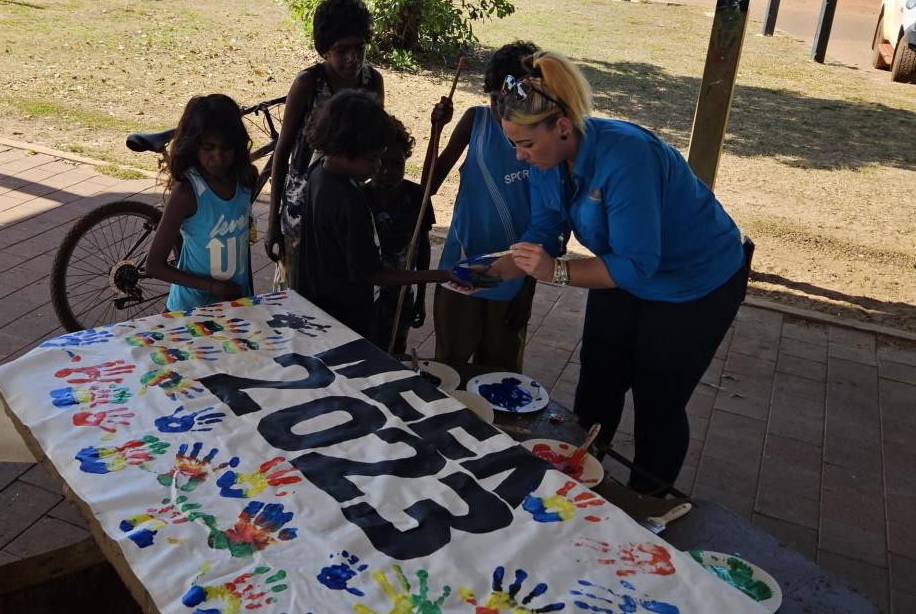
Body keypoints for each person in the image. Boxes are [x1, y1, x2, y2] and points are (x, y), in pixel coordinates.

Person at [497, 50, 750, 494]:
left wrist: (556, 272)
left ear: (562, 127)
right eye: (513, 144)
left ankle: (647, 504)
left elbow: (636, 264)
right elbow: (547, 224)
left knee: (658, 399)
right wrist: (498, 267)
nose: (519, 156)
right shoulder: (548, 159)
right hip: (622, 265)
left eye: (526, 144)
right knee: (598, 379)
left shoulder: (627, 156)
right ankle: (581, 483)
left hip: (694, 281)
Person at [295, 90, 458, 338]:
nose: (379, 167)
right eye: (373, 159)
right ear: (345, 149)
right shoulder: (346, 201)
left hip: (322, 308)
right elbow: (375, 274)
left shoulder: (320, 172)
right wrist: (445, 275)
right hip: (342, 320)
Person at [424, 42, 541, 372]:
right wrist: (436, 130)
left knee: (500, 373)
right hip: (460, 269)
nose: (500, 110)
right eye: (494, 99)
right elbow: (429, 187)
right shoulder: (475, 120)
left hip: (514, 277)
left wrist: (526, 292)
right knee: (449, 369)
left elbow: (547, 224)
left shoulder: (543, 139)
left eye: (509, 100)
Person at [265, 0, 385, 289]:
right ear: (324, 50)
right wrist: (273, 223)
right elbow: (282, 151)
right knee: (295, 289)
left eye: (359, 48)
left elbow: (375, 141)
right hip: (301, 207)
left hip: (347, 204)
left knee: (338, 286)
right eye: (342, 50)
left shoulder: (373, 82)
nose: (352, 58)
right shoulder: (308, 83)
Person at [146, 95, 256, 310]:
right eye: (208, 148)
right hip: (190, 310)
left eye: (226, 147)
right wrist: (212, 286)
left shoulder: (245, 180)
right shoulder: (187, 193)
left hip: (235, 305)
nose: (218, 156)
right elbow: (154, 266)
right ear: (194, 146)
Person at [364, 115, 433, 353]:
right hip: (365, 297)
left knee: (394, 350)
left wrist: (421, 297)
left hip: (401, 296)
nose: (388, 171)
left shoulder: (417, 197)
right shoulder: (359, 198)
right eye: (381, 162)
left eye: (396, 163)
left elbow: (423, 248)